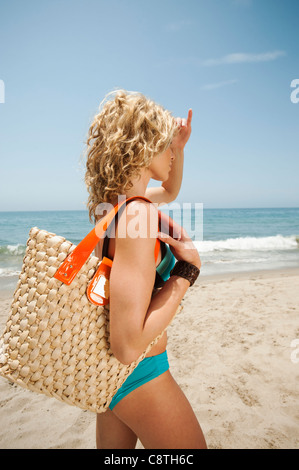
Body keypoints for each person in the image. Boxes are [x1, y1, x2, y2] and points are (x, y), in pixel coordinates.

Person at [84, 90, 207, 449]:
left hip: (112, 376)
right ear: (142, 146)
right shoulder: (137, 214)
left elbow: (168, 191)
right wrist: (187, 273)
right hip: (140, 374)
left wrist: (180, 149)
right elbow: (127, 345)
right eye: (166, 143)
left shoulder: (116, 207)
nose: (171, 151)